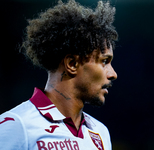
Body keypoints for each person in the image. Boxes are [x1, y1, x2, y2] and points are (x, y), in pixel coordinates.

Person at [0, 0, 118, 149]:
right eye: (104, 61)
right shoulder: (16, 125)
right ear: (72, 64)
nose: (113, 74)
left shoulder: (100, 133)